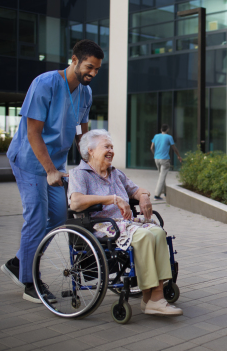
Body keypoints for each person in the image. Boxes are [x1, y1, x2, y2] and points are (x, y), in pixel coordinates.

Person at [1, 40, 103, 303]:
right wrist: (49, 170)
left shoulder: (85, 93)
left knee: (58, 218)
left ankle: (19, 262)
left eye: (97, 69)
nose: (92, 73)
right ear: (74, 60)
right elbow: (33, 132)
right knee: (36, 219)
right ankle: (29, 282)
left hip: (55, 164)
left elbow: (81, 132)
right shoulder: (45, 83)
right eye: (89, 67)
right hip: (30, 159)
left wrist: (89, 163)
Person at [68, 129, 182, 316]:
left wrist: (144, 197)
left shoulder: (115, 173)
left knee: (158, 232)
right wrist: (111, 199)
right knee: (145, 236)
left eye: (112, 147)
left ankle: (154, 298)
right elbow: (76, 202)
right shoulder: (80, 173)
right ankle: (151, 298)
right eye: (106, 146)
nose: (111, 150)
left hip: (124, 224)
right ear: (91, 150)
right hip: (101, 226)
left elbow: (137, 190)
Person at [150, 124, 182, 200]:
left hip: (156, 159)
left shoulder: (156, 136)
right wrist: (178, 156)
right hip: (164, 159)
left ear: (161, 129)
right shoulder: (169, 137)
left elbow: (151, 148)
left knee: (162, 176)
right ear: (167, 130)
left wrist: (155, 155)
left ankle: (165, 192)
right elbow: (174, 148)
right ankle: (157, 195)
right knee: (162, 177)